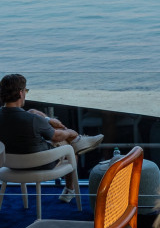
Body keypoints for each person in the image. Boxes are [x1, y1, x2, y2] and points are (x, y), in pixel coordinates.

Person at [0, 74, 104, 202]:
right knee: (69, 146)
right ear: (21, 93)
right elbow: (56, 137)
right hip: (39, 163)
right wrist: (70, 132)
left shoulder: (28, 117)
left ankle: (79, 140)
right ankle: (70, 186)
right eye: (26, 91)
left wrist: (48, 120)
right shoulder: (33, 120)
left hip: (10, 163)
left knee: (33, 112)